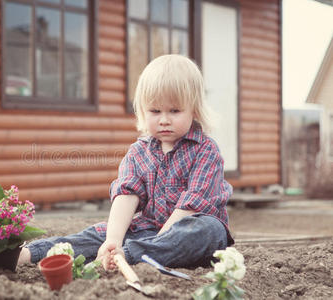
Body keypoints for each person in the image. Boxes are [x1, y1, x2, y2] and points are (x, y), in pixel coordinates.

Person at [18, 54, 234, 270]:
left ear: (194, 109)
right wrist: (113, 240)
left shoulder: (205, 150)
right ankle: (28, 254)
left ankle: (131, 255)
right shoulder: (139, 151)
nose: (164, 119)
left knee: (209, 229)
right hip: (147, 232)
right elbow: (126, 195)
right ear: (142, 110)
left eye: (175, 111)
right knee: (98, 233)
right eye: (155, 111)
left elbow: (190, 208)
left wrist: (152, 244)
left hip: (187, 238)